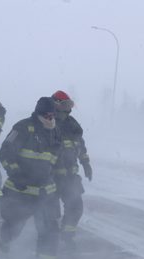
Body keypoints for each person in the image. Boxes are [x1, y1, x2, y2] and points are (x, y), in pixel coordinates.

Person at [0, 97, 62, 259]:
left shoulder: (55, 132)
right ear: (40, 113)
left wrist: (58, 180)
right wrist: (16, 173)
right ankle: (3, 239)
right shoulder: (23, 128)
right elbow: (6, 151)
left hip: (45, 193)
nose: (50, 118)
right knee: (14, 227)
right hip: (21, 190)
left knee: (49, 229)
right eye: (47, 114)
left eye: (53, 115)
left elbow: (55, 159)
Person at [51, 90, 92, 248]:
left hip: (70, 178)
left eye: (69, 105)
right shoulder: (47, 123)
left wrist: (86, 164)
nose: (68, 110)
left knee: (76, 208)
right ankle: (47, 240)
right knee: (50, 213)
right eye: (65, 105)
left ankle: (67, 236)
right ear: (56, 105)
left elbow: (80, 146)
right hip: (50, 178)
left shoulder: (73, 125)